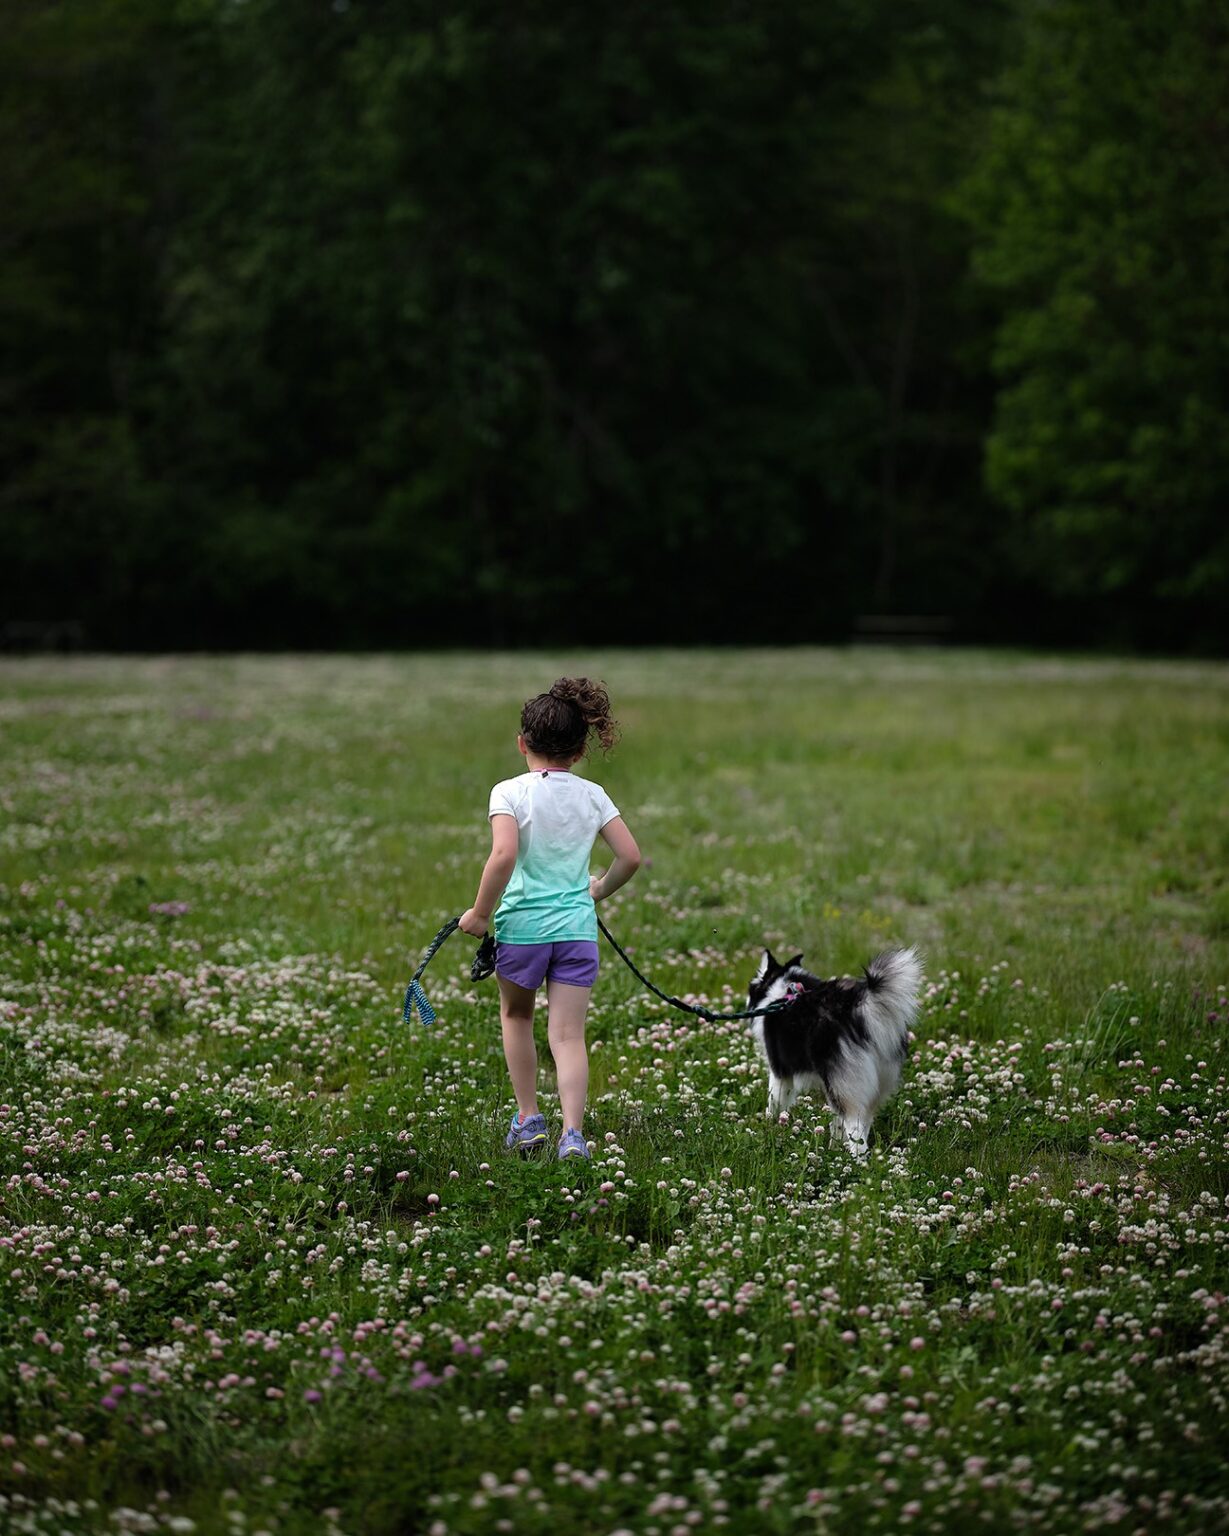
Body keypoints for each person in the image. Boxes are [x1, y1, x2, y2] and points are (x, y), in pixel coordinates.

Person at [459, 677, 641, 1160]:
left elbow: (502, 856)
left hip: (523, 930)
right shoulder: (593, 794)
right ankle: (574, 1135)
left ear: (522, 743)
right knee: (569, 1035)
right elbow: (629, 856)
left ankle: (529, 1118)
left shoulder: (509, 793)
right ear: (580, 750)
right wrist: (598, 888)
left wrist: (480, 913)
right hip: (577, 931)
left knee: (517, 1016)